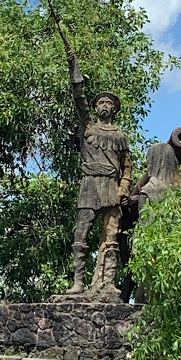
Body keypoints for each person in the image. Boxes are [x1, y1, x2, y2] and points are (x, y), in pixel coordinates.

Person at [65, 48, 132, 300]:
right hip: (89, 184)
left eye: (109, 103)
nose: (104, 105)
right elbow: (78, 97)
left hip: (111, 187)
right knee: (81, 232)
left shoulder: (120, 136)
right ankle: (78, 283)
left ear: (114, 109)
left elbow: (127, 167)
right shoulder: (88, 128)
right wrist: (74, 66)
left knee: (111, 236)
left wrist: (123, 189)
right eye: (101, 102)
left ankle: (106, 283)